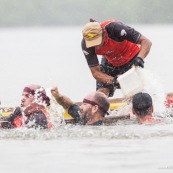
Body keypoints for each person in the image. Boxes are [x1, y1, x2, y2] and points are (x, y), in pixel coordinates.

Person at [81, 19, 152, 97]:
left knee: (134, 94)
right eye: (92, 44)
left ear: (104, 34)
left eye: (97, 42)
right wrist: (114, 81)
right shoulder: (86, 44)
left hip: (131, 58)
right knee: (100, 95)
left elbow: (146, 42)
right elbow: (96, 73)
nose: (96, 46)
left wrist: (139, 59)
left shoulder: (115, 28)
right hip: (110, 61)